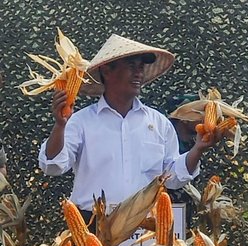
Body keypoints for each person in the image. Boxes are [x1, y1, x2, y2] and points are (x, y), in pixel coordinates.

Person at [39, 35, 218, 226]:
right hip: (93, 225)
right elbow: (53, 166)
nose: (138, 73)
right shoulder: (81, 122)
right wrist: (59, 125)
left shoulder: (159, 122)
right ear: (107, 71)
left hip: (144, 227)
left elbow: (173, 177)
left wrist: (198, 149)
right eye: (132, 66)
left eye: (141, 67)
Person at [162, 92, 201, 231]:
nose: (203, 119)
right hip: (164, 216)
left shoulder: (196, 143)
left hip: (186, 217)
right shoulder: (167, 144)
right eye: (199, 114)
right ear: (185, 118)